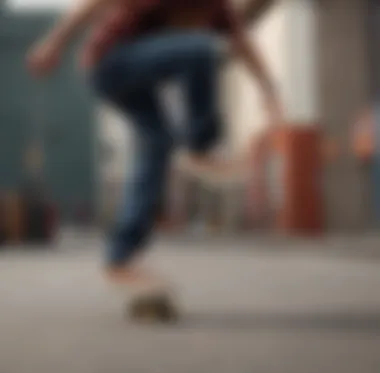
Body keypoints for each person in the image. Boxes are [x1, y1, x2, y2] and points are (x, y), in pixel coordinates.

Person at [27, 0, 283, 291]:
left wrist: (269, 92)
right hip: (109, 62)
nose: (191, 24)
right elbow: (92, 6)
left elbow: (243, 46)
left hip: (135, 79)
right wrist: (53, 44)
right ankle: (201, 145)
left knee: (157, 144)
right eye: (187, 17)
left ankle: (120, 257)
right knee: (200, 49)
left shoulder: (217, 10)